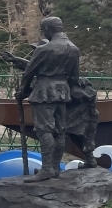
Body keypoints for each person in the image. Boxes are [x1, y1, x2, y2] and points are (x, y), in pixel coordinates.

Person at [16, 17, 80, 182]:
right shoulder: (74, 49)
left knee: (44, 130)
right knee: (59, 130)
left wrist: (24, 91)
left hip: (44, 91)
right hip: (63, 92)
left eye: (43, 30)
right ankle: (55, 167)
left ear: (48, 30)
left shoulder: (45, 49)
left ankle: (46, 169)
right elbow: (74, 77)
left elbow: (29, 72)